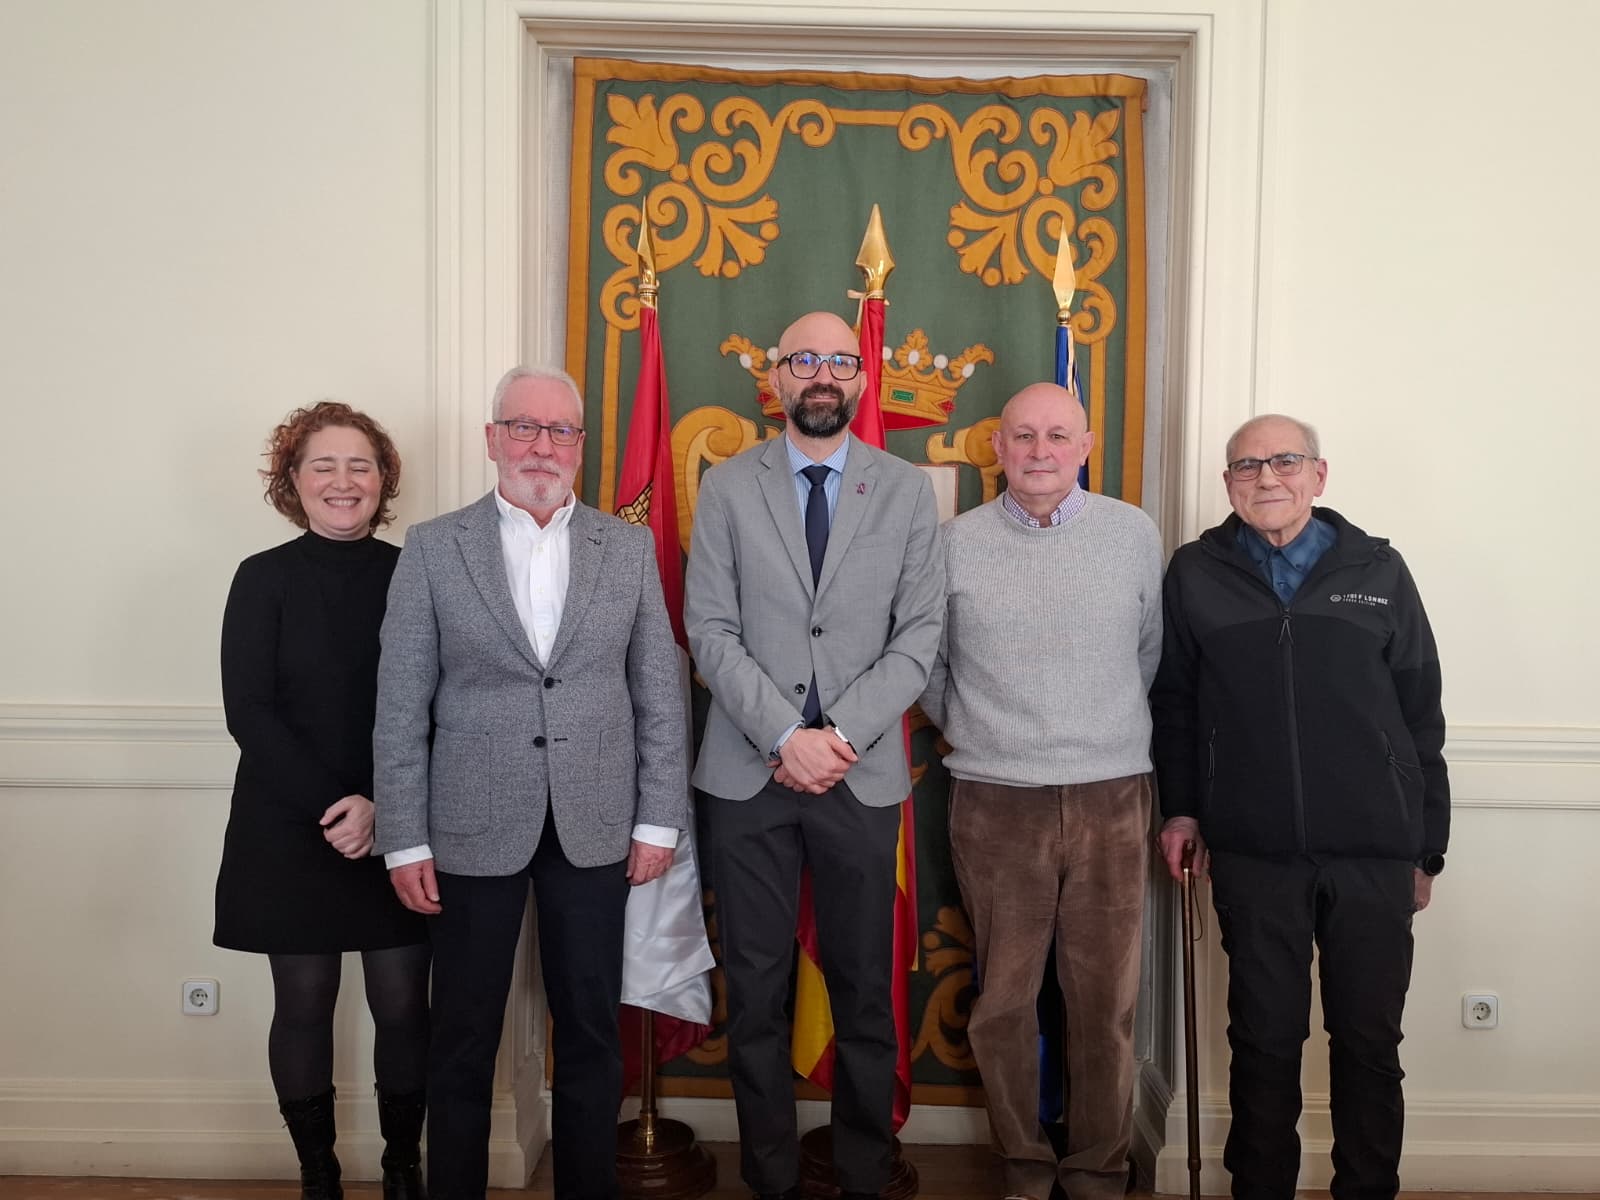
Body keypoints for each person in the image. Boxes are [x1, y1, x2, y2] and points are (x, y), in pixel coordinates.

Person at [373, 365, 687, 1200]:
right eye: (524, 426)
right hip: (468, 827)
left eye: (560, 430)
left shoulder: (627, 548)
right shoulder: (434, 548)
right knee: (462, 1038)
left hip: (597, 824)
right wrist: (403, 837)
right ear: (492, 439)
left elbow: (658, 690)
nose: (542, 445)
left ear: (580, 445)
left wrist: (659, 818)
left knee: (590, 1032)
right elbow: (400, 705)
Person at [1150, 414, 1449, 1200]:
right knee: (1263, 1044)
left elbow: (1422, 711)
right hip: (1253, 852)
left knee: (1369, 1044)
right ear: (1228, 485)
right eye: (1247, 466)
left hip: (1374, 851)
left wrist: (1428, 847)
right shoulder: (1195, 573)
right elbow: (1175, 704)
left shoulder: (1379, 569)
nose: (1267, 478)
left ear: (1319, 475)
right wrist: (1181, 810)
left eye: (1285, 461)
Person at [684, 310, 945, 1200]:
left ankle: (865, 1174)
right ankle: (771, 1179)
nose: (823, 374)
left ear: (862, 379)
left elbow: (918, 639)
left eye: (839, 359)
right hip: (748, 775)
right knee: (755, 993)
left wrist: (835, 740)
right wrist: (782, 736)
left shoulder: (905, 492)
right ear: (777, 378)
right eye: (804, 360)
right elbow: (709, 629)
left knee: (865, 990)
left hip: (858, 776)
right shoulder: (728, 487)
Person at [918, 382, 1163, 1200]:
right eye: (1022, 435)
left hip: (1110, 797)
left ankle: (1097, 1171)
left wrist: (1096, 729)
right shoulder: (953, 544)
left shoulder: (1132, 535)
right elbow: (930, 667)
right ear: (997, 447)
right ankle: (1024, 1168)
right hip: (996, 801)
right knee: (1004, 1002)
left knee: (1105, 1004)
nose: (1040, 451)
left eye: (1058, 435)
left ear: (1085, 447)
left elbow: (1149, 653)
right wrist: (986, 731)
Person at [215, 401, 430, 1200]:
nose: (343, 481)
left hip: (398, 821)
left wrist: (379, 804)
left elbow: (440, 702)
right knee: (303, 1003)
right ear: (294, 481)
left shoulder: (419, 572)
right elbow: (249, 712)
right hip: (288, 824)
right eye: (324, 466)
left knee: (403, 1004)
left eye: (359, 465)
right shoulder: (261, 578)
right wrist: (337, 806)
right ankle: (319, 1176)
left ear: (383, 479)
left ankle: (402, 1168)